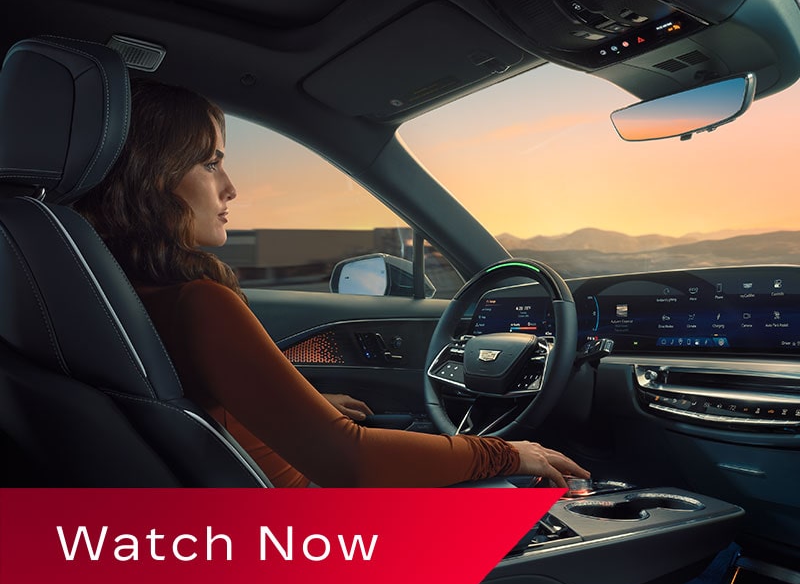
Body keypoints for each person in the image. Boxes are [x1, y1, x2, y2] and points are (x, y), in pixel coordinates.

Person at [75, 78, 590, 488]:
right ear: (150, 177)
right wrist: (508, 454)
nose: (230, 188)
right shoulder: (196, 302)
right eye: (211, 164)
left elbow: (209, 406)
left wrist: (311, 410)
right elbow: (353, 463)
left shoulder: (99, 291)